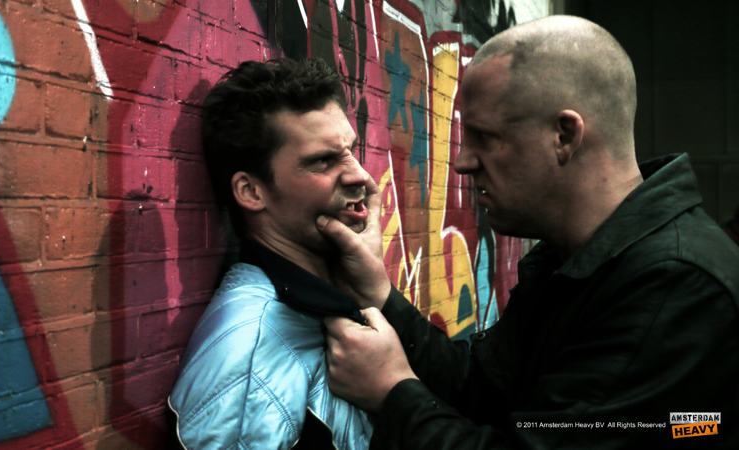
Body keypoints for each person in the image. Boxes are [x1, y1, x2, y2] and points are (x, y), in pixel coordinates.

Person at [318, 16, 739, 449]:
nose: (462, 162)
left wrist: (394, 396)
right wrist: (378, 294)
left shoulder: (675, 286)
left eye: (484, 137)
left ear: (564, 136)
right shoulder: (577, 261)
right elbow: (485, 386)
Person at [168, 58, 379, 449]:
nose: (360, 176)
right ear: (251, 192)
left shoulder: (328, 301)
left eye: (351, 151)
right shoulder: (251, 358)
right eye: (323, 160)